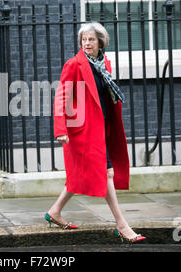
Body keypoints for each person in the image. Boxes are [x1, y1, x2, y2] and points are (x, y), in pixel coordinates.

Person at [45, 22, 146, 243]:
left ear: (101, 41)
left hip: (101, 129)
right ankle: (122, 225)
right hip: (83, 132)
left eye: (91, 39)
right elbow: (61, 97)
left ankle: (54, 212)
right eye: (84, 40)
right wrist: (61, 129)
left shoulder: (103, 64)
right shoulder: (73, 65)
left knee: (79, 176)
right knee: (106, 173)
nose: (87, 43)